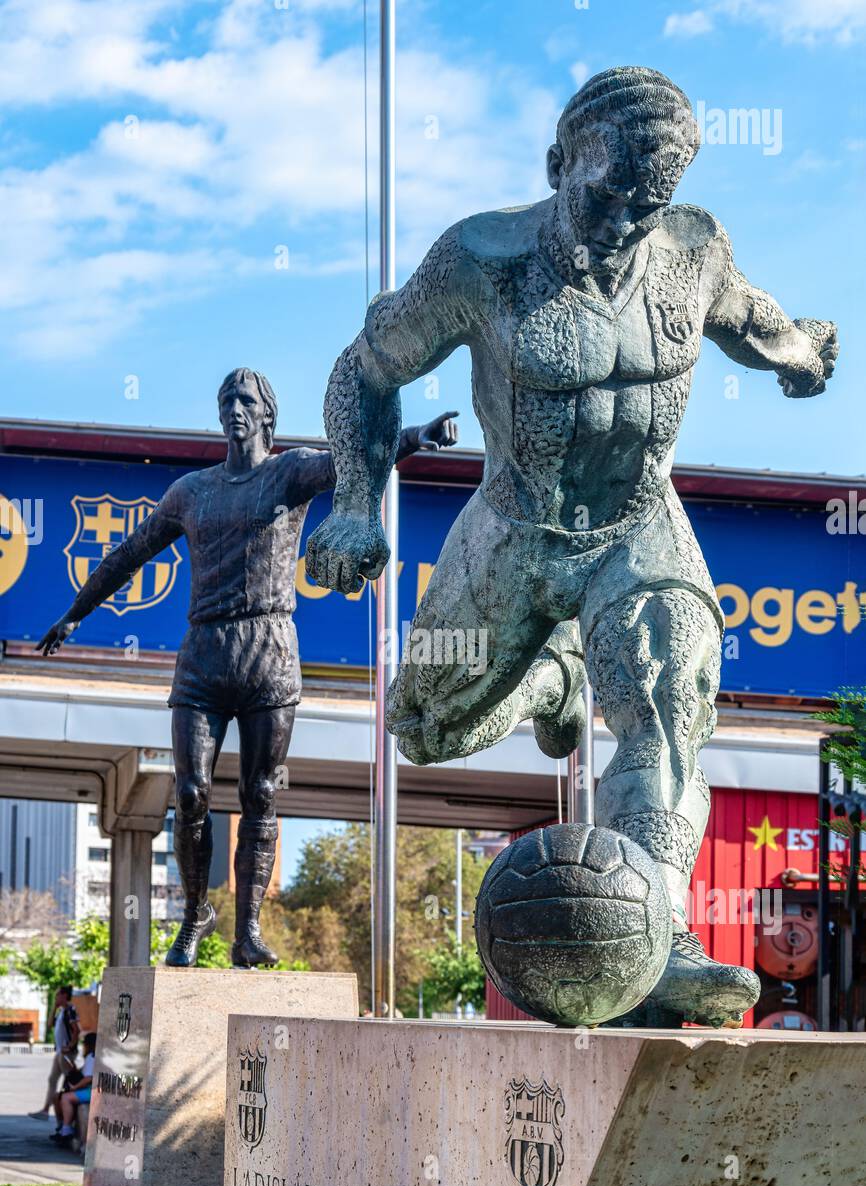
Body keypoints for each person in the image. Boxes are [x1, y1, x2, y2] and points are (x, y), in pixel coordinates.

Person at [306, 67, 838, 1027]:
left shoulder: (694, 249)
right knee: (425, 727)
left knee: (672, 704)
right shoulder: (481, 258)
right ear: (559, 165)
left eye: (649, 200)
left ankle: (660, 935)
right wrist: (354, 503)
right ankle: (553, 681)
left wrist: (799, 351)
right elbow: (362, 372)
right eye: (605, 194)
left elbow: (755, 321)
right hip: (515, 530)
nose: (625, 220)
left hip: (637, 524)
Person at [36, 369, 458, 968]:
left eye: (247, 400)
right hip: (204, 654)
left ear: (267, 415)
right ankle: (192, 916)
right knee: (191, 791)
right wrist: (75, 613)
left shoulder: (290, 473)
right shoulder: (191, 492)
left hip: (270, 653)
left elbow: (362, 457)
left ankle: (249, 929)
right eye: (227, 400)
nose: (235, 408)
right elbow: (129, 553)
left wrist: (416, 434)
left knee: (261, 793)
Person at [28, 986, 79, 1119]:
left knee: (70, 1079)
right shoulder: (61, 1011)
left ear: (64, 995)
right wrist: (54, 1008)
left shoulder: (70, 1010)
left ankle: (68, 1113)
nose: (56, 997)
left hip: (66, 1052)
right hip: (60, 1052)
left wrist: (70, 1046)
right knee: (52, 1080)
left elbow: (76, 1030)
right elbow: (50, 1024)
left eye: (58, 995)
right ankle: (45, 1110)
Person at [51, 1031, 96, 1148]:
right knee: (57, 1096)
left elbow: (88, 1078)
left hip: (91, 1091)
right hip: (90, 1089)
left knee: (66, 1097)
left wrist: (74, 1088)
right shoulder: (91, 1057)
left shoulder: (92, 1057)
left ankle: (66, 1130)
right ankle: (62, 1126)